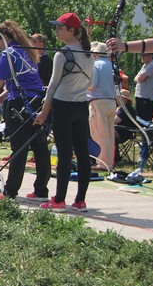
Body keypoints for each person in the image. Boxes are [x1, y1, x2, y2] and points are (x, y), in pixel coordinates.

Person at [0, 20, 49, 201]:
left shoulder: (9, 53)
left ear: (5, 39)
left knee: (18, 148)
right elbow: (21, 82)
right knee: (39, 146)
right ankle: (41, 191)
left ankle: (10, 191)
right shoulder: (28, 52)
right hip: (37, 102)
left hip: (19, 105)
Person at [35, 12, 94, 213]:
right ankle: (80, 200)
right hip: (81, 106)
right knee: (82, 153)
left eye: (60, 27)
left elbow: (52, 87)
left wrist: (43, 113)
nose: (56, 30)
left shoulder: (62, 54)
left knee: (65, 154)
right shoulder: (90, 53)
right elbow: (91, 83)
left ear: (72, 30)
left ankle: (59, 200)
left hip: (62, 106)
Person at [87, 41, 117, 170]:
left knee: (99, 133)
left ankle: (102, 163)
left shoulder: (96, 65)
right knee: (109, 134)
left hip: (98, 101)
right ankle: (109, 161)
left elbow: (92, 84)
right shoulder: (113, 66)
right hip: (111, 101)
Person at [134, 53, 153, 122]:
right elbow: (136, 78)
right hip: (141, 95)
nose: (142, 57)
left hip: (146, 96)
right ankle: (141, 131)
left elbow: (140, 78)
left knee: (146, 118)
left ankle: (149, 132)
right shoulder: (145, 65)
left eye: (143, 56)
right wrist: (139, 78)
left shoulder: (152, 65)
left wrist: (140, 78)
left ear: (150, 56)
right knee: (139, 117)